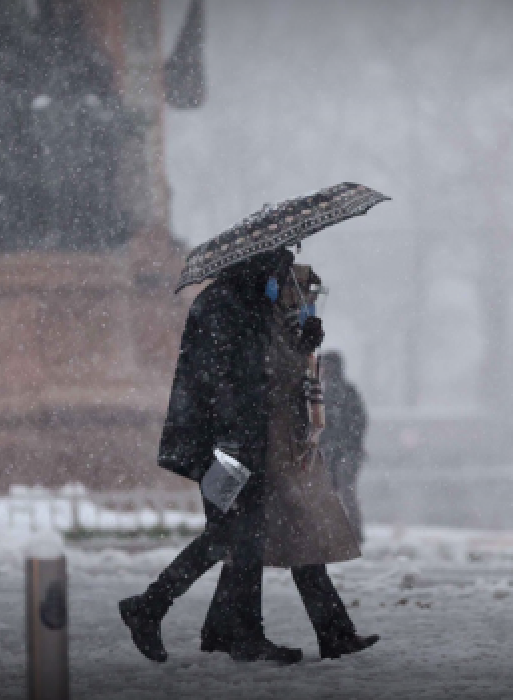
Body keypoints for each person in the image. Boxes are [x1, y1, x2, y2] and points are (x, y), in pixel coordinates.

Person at [119, 251, 377, 664]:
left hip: (245, 442)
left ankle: (218, 627)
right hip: (225, 446)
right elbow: (226, 379)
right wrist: (233, 442)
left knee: (240, 537)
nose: (282, 277)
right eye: (277, 268)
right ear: (257, 265)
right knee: (232, 536)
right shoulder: (223, 305)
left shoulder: (246, 302)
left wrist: (302, 342)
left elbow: (267, 371)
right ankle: (160, 610)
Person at [319, 351, 368, 541]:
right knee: (341, 492)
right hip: (338, 451)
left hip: (341, 451)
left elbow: (356, 422)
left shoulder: (340, 392)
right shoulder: (338, 391)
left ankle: (345, 534)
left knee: (341, 492)